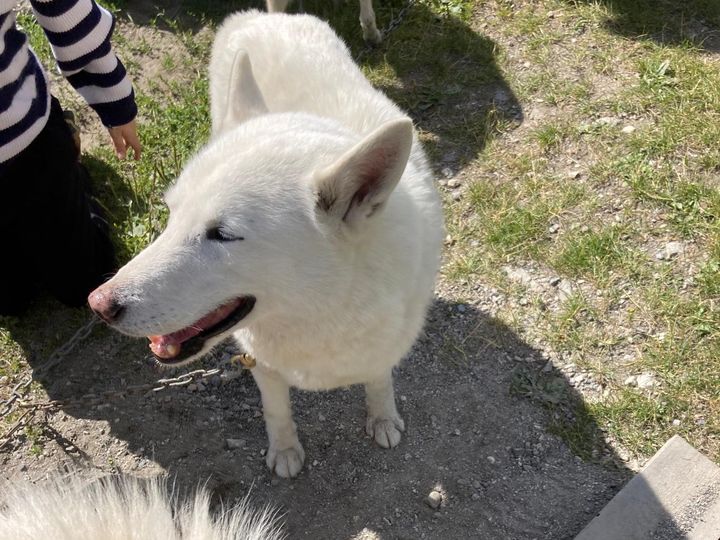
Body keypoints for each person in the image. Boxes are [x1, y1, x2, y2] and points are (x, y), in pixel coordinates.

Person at [0, 0, 141, 315]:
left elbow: (70, 17)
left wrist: (114, 101)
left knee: (83, 282)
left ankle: (73, 177)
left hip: (28, 142)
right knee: (12, 301)